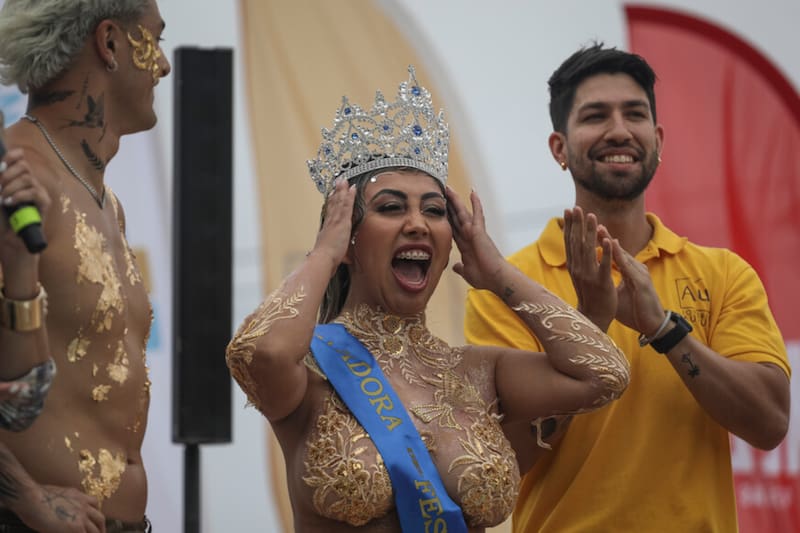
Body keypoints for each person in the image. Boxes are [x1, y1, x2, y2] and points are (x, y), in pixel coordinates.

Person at [226, 66, 630, 532]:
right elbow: (260, 351)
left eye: (434, 211)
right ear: (350, 237)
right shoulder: (310, 367)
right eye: (392, 207)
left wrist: (497, 272)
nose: (418, 223)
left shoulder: (480, 371)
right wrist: (324, 252)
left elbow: (607, 373)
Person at [464, 43, 791, 532]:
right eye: (596, 116)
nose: (619, 131)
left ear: (657, 138)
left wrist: (663, 330)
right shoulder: (505, 287)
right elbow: (501, 465)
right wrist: (588, 327)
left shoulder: (724, 274)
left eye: (634, 114)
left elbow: (769, 423)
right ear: (559, 147)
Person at [0, 1, 171, 531]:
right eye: (155, 39)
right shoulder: (16, 179)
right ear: (111, 43)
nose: (163, 65)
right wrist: (28, 498)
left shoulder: (104, 200)